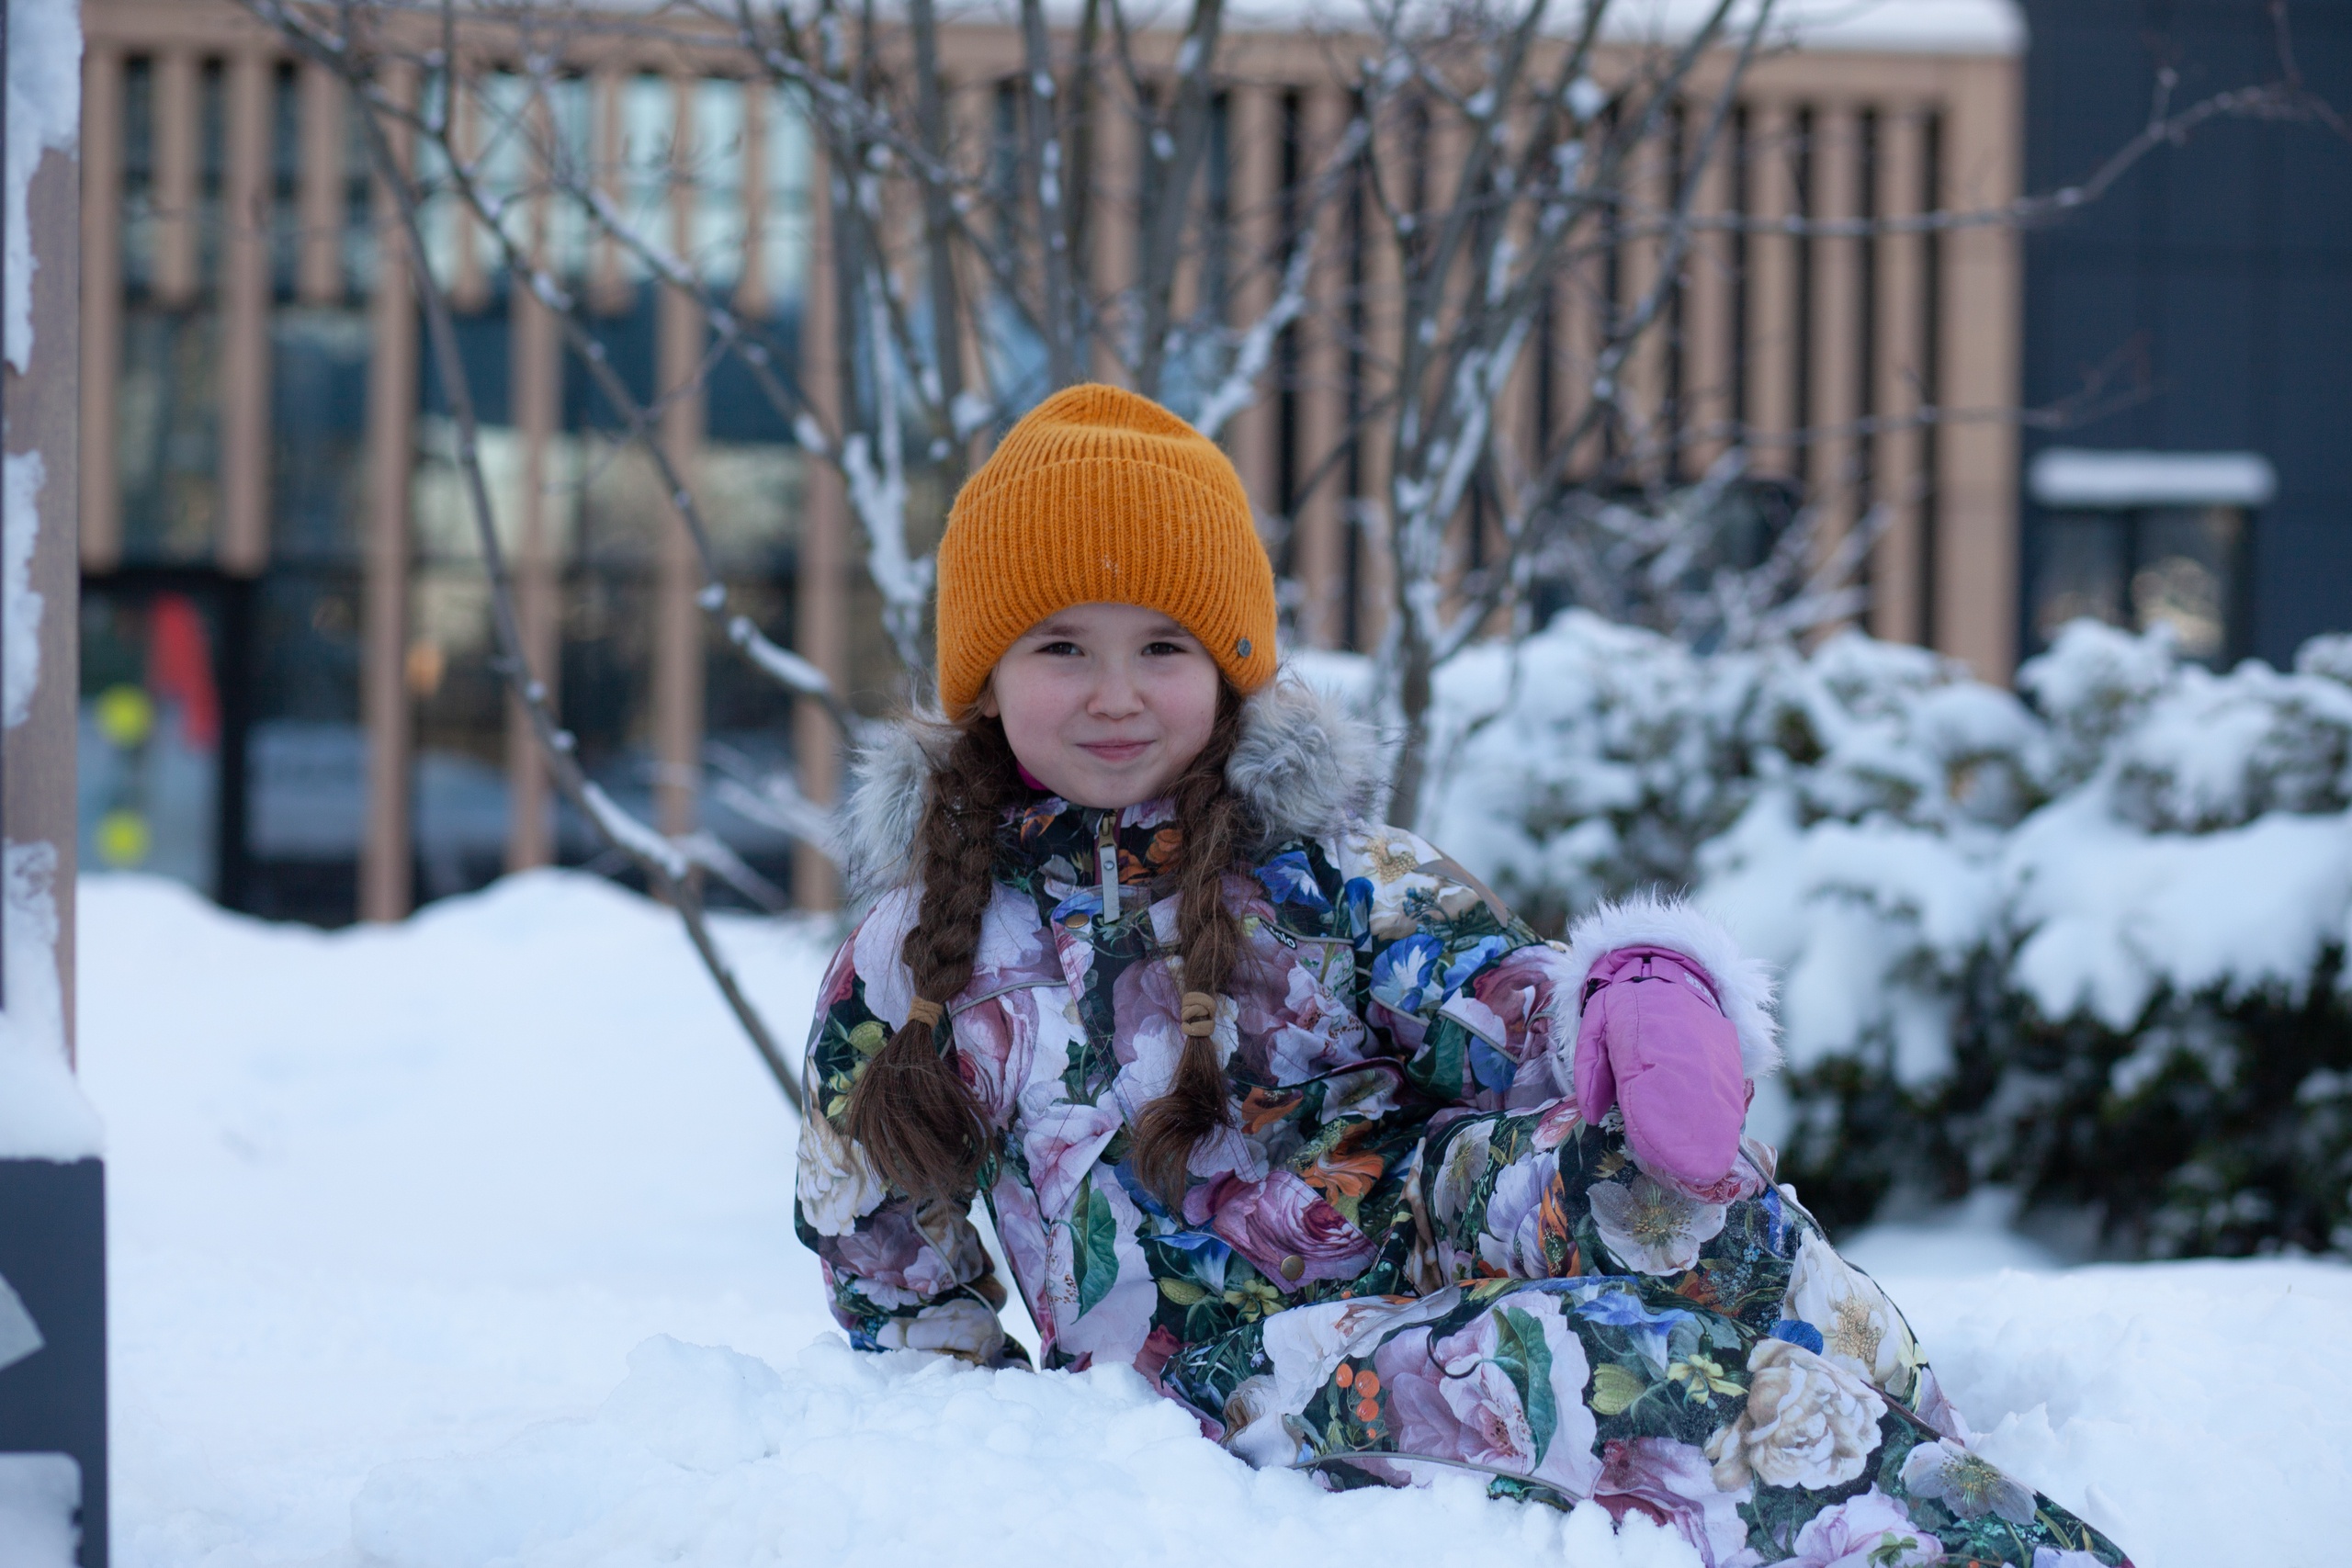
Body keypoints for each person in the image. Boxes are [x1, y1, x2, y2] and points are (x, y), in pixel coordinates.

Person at [794, 384, 2131, 1568]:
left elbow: (1502, 1007)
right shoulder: (916, 960)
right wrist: (1001, 1461)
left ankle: (1940, 1475)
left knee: (1672, 1195)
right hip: (1237, 1373)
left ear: (1230, 665)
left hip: (1416, 1237)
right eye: (1060, 647)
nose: (1115, 693)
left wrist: (1629, 998)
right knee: (1630, 1367)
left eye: (1162, 645)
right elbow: (897, 1283)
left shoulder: (1340, 873)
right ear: (984, 677)